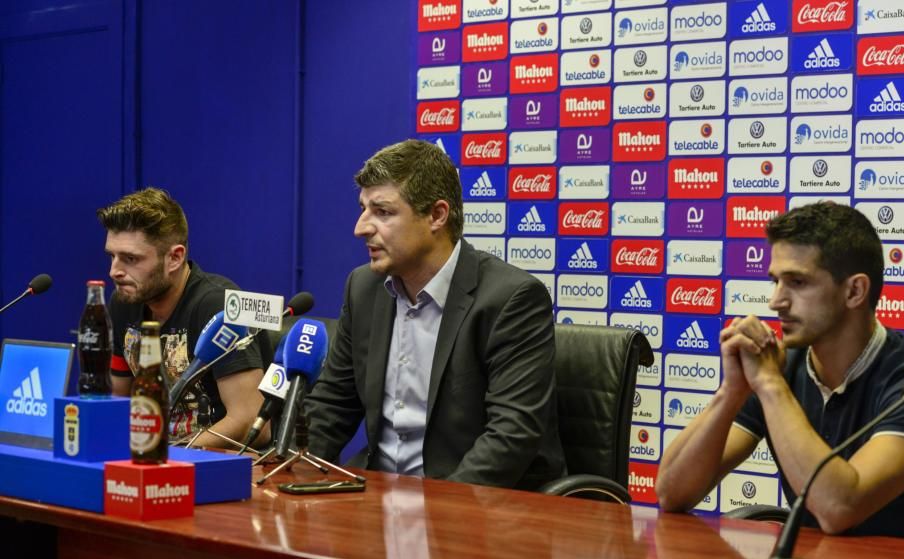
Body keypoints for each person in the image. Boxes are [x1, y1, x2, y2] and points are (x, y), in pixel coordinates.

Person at [656, 202, 904, 546]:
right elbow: (672, 493)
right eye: (775, 281)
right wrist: (732, 392)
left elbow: (839, 506)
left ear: (854, 291)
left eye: (797, 282)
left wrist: (769, 385)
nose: (776, 301)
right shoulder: (783, 367)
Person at [304, 139, 565, 489]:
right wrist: (294, 475)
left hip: (474, 508)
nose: (361, 227)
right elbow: (332, 406)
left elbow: (511, 437)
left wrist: (439, 513)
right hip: (378, 500)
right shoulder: (363, 288)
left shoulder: (511, 299)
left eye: (382, 212)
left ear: (437, 216)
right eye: (363, 209)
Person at [99, 187, 270, 448]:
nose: (115, 271)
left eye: (130, 259)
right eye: (112, 256)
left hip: (217, 467)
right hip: (153, 456)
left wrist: (165, 452)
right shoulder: (124, 301)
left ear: (175, 258)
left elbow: (251, 420)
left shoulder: (219, 304)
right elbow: (120, 399)